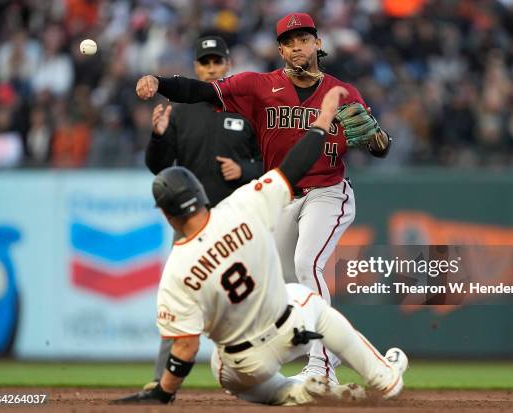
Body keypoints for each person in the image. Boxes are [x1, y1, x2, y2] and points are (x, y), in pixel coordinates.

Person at [134, 13, 391, 383]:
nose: (297, 46)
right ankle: (321, 350)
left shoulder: (343, 92)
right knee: (284, 283)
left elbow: (378, 146)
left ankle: (321, 365)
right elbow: (202, 91)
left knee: (307, 263)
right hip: (285, 197)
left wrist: (378, 139)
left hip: (327, 192)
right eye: (289, 41)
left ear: (318, 43)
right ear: (280, 50)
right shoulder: (258, 86)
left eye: (304, 38)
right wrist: (159, 82)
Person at [114, 86, 407, 406]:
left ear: (168, 215)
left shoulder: (176, 270)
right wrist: (322, 120)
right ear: (199, 193)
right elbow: (294, 167)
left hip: (242, 365)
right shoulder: (243, 206)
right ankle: (384, 377)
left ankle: (292, 393)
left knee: (222, 369)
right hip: (287, 331)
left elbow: (185, 349)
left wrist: (164, 391)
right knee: (307, 298)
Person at [145, 35, 262, 386]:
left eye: (217, 61)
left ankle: (257, 378)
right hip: (191, 225)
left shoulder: (247, 108)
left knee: (247, 304)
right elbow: (159, 167)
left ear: (229, 64)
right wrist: (159, 136)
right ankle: (161, 382)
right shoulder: (179, 111)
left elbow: (273, 161)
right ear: (196, 67)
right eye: (205, 62)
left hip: (237, 222)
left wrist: (246, 170)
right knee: (179, 304)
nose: (211, 68)